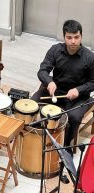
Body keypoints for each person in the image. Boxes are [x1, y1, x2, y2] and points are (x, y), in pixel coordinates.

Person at [32, 19, 94, 156]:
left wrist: (78, 90)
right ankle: (33, 136)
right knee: (32, 103)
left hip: (78, 96)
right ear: (64, 37)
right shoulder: (55, 50)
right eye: (69, 37)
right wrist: (49, 82)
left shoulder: (89, 57)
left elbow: (92, 82)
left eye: (76, 37)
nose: (73, 41)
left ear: (81, 36)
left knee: (74, 117)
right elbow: (42, 71)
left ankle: (64, 147)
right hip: (56, 91)